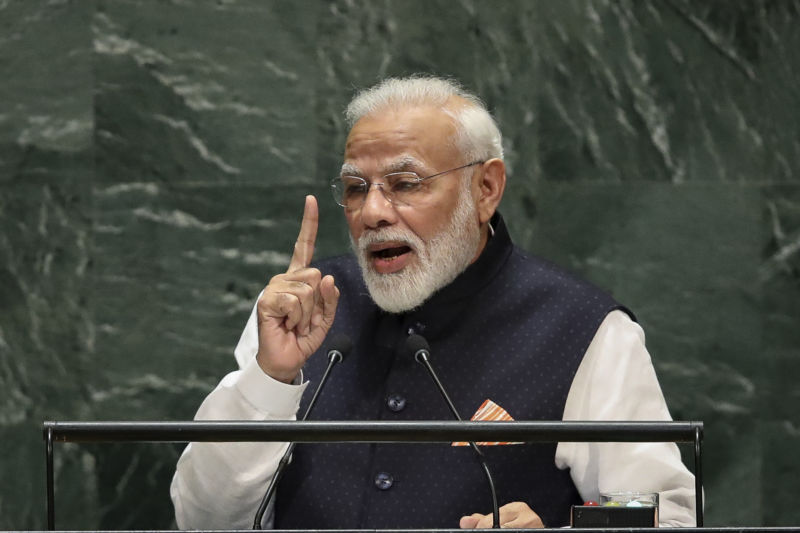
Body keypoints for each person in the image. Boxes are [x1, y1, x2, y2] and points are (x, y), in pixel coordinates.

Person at [171, 76, 696, 529]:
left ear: (486, 188)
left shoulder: (582, 330)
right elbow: (202, 521)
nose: (373, 211)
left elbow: (662, 516)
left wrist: (561, 530)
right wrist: (270, 378)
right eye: (356, 188)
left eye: (405, 183)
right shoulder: (303, 308)